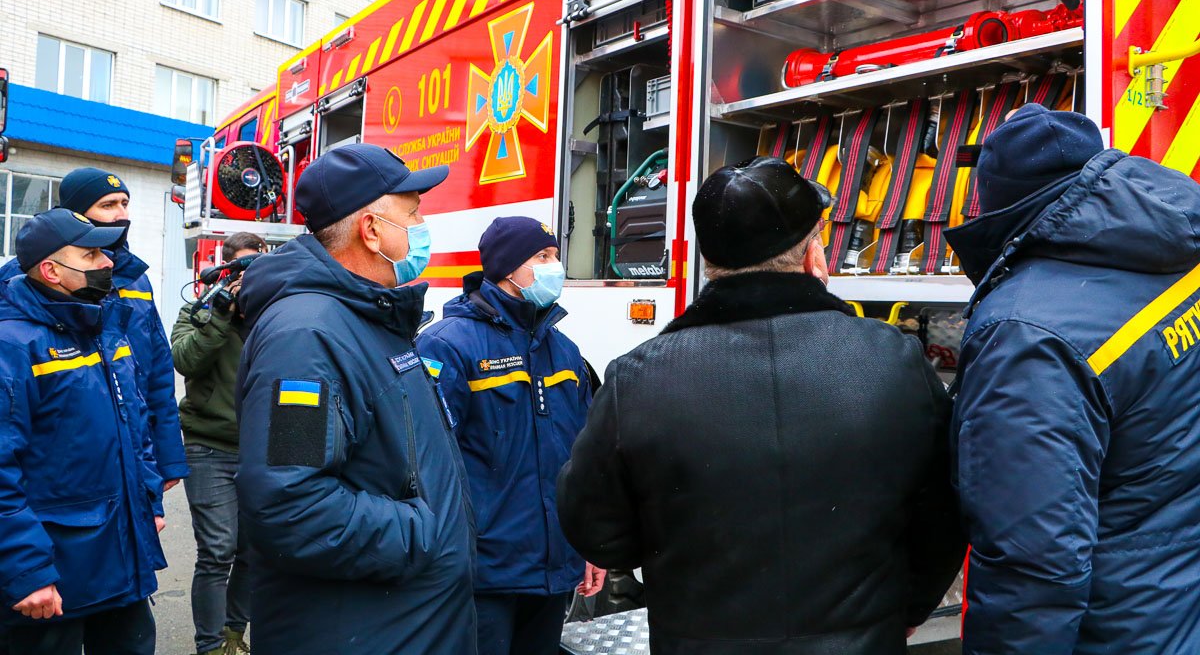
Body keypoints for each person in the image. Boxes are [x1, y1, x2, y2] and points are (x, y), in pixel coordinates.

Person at [557, 157, 963, 654]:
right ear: (812, 255)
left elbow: (595, 528)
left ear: (710, 261)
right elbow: (943, 514)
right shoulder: (895, 361)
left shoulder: (637, 379)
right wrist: (907, 609)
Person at [944, 104, 1200, 654]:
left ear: (995, 202)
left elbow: (1032, 568)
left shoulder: (1026, 334)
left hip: (1116, 632)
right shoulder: (1179, 252)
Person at [234, 144, 475, 655]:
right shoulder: (305, 338)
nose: (421, 224)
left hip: (401, 624)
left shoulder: (365, 316)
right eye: (412, 212)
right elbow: (290, 505)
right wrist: (424, 533)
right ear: (371, 230)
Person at [417, 217, 603, 655]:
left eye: (555, 256)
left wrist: (589, 541)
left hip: (553, 571)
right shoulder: (446, 346)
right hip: (482, 574)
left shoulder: (564, 350)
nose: (555, 267)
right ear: (506, 270)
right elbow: (425, 465)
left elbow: (585, 457)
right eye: (542, 257)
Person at [0, 209, 167, 654]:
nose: (108, 262)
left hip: (121, 561)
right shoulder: (13, 345)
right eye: (91, 253)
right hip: (51, 579)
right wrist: (27, 569)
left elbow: (136, 423)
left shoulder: (104, 327)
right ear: (51, 270)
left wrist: (148, 497)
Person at [0, 168, 189, 490]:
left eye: (125, 203)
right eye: (108, 205)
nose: (121, 214)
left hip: (133, 440)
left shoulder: (136, 278)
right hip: (68, 468)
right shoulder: (22, 278)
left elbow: (158, 372)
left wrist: (168, 456)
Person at [172, 232, 266, 655]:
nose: (248, 276)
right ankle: (209, 646)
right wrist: (221, 313)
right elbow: (186, 360)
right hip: (208, 446)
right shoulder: (198, 310)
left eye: (257, 266)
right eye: (241, 267)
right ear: (225, 269)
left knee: (252, 548)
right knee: (218, 549)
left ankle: (233, 635)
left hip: (261, 450)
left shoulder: (275, 311)